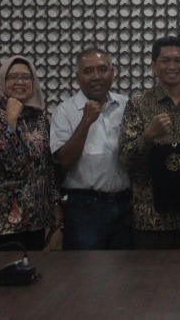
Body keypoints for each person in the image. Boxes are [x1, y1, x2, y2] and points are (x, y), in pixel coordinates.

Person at [117, 36, 180, 249]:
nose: (172, 66)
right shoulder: (138, 105)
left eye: (178, 60)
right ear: (154, 66)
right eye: (165, 61)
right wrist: (148, 136)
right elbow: (125, 158)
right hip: (150, 218)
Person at [51, 47, 132, 249]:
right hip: (85, 209)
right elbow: (64, 161)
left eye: (102, 69)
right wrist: (85, 121)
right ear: (78, 78)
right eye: (88, 71)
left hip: (125, 205)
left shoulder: (126, 106)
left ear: (112, 72)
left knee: (126, 267)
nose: (96, 76)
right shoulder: (65, 111)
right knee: (86, 267)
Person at [0, 55, 59, 251]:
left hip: (36, 221)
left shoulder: (39, 119)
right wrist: (10, 121)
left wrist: (55, 202)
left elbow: (47, 165)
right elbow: (3, 160)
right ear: (2, 81)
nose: (20, 82)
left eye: (26, 77)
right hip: (0, 222)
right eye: (12, 77)